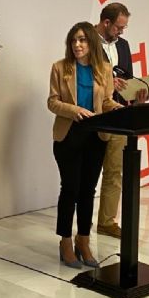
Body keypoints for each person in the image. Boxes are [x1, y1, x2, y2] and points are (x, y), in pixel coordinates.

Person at [48, 21, 120, 269]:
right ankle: (65, 242)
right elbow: (53, 102)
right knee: (70, 188)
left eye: (82, 40)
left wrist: (119, 109)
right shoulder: (60, 68)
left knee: (88, 190)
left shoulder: (104, 69)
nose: (77, 45)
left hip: (95, 137)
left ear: (91, 42)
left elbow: (107, 102)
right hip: (68, 135)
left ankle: (84, 240)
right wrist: (74, 109)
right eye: (73, 40)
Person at [95, 3, 146, 239]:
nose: (122, 32)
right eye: (119, 27)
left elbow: (128, 77)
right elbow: (78, 76)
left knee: (114, 171)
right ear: (106, 23)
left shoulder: (123, 45)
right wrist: (107, 83)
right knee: (88, 173)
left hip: (119, 114)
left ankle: (106, 222)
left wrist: (138, 91)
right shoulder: (86, 41)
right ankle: (81, 228)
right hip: (94, 115)